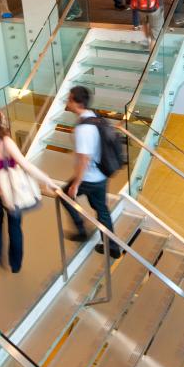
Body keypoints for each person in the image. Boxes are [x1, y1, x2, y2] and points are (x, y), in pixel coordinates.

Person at [0, 106, 57, 273]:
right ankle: (15, 264)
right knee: (14, 228)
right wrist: (47, 180)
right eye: (1, 117)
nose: (4, 118)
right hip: (12, 195)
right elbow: (26, 165)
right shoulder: (6, 142)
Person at [59, 86, 121, 258]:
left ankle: (81, 230)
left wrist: (76, 184)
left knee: (64, 196)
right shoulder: (92, 117)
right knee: (102, 209)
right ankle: (113, 247)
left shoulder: (83, 129)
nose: (67, 102)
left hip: (89, 178)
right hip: (101, 174)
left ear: (76, 102)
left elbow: (84, 160)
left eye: (69, 99)